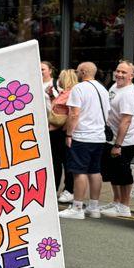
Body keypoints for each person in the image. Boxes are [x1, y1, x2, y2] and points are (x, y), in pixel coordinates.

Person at [59, 62, 110, 220]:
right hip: (99, 136)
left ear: (83, 71)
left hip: (82, 136)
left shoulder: (78, 88)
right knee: (94, 171)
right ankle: (94, 208)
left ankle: (77, 208)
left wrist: (69, 134)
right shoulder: (102, 89)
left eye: (77, 70)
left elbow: (74, 114)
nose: (76, 73)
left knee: (79, 172)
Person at [99, 61, 134, 218]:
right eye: (118, 71)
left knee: (123, 174)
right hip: (110, 139)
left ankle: (125, 206)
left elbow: (126, 121)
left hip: (124, 142)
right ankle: (116, 202)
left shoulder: (129, 94)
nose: (119, 74)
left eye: (124, 72)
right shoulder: (115, 87)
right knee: (113, 173)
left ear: (131, 76)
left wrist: (118, 145)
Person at [50, 69, 77, 203]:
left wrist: (67, 132)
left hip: (61, 132)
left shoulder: (71, 94)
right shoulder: (64, 92)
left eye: (60, 77)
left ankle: (69, 189)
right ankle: (56, 189)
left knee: (64, 162)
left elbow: (72, 114)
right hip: (56, 132)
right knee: (56, 162)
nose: (58, 79)